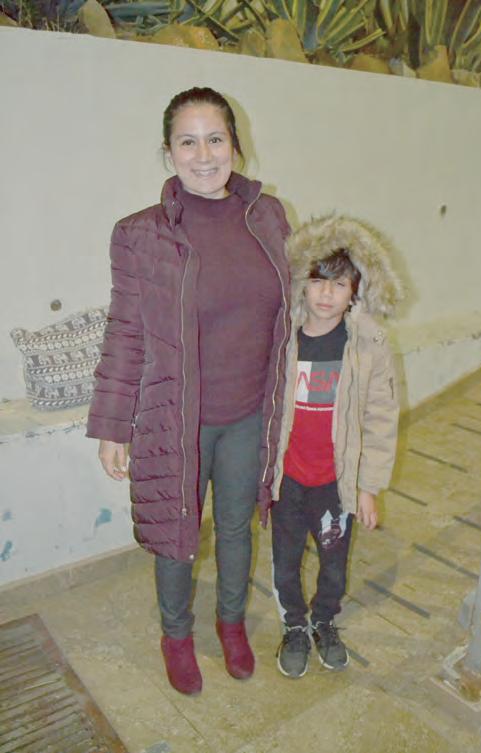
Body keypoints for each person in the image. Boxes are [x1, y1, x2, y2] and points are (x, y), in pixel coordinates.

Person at [87, 87, 290, 695]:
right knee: (176, 531)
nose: (204, 155)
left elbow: (293, 310)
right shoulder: (139, 234)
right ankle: (176, 635)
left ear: (235, 144)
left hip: (250, 412)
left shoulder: (269, 216)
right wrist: (112, 426)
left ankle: (231, 624)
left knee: (236, 527)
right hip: (177, 417)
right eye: (188, 141)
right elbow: (126, 330)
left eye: (215, 139)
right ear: (168, 152)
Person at [270, 213, 401, 678]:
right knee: (285, 561)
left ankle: (324, 619)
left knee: (333, 563)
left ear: (355, 291)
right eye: (318, 281)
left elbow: (381, 419)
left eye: (340, 284)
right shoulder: (282, 339)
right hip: (288, 480)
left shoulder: (366, 345)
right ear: (301, 284)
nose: (326, 294)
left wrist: (368, 487)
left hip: (334, 483)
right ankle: (294, 624)